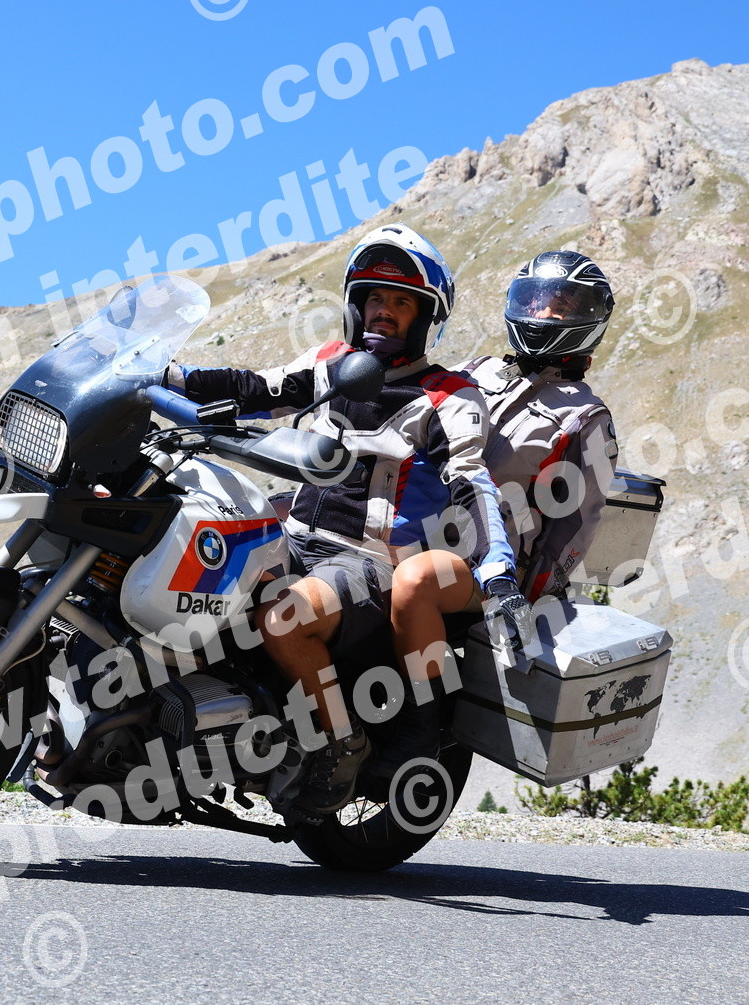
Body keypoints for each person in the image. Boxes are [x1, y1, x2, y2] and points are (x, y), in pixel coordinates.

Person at [165, 224, 522, 821]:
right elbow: (255, 388)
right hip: (293, 540)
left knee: (283, 619)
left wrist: (499, 570)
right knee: (193, 566)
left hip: (371, 561)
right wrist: (165, 376)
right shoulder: (331, 364)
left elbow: (472, 482)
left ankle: (340, 741)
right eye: (374, 298)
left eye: (401, 302)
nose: (384, 311)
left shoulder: (450, 396)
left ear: (425, 318)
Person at [386, 250, 618, 701]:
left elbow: (573, 529)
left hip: (490, 570)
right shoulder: (478, 371)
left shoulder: (586, 417)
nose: (543, 313)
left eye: (560, 306)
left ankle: (420, 718)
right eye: (536, 301)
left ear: (588, 318)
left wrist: (522, 602)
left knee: (417, 580)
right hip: (412, 530)